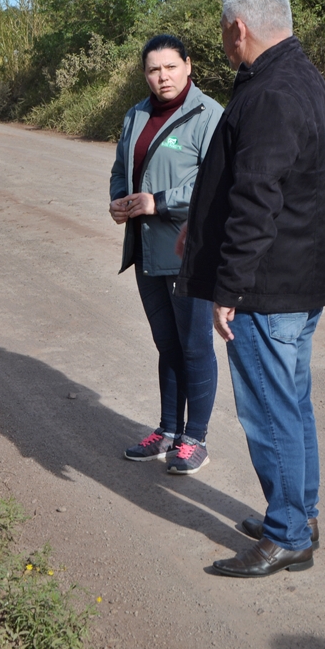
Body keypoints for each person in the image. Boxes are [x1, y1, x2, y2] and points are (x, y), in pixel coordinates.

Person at [175, 0, 325, 577]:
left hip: (270, 288)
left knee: (270, 411)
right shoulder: (299, 76)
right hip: (300, 280)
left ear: (238, 28)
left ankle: (287, 534)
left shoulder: (270, 92)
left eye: (224, 31)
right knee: (291, 403)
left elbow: (257, 199)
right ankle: (300, 512)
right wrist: (199, 224)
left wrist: (230, 289)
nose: (223, 41)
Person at [109, 34, 222, 475]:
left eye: (171, 67)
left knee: (195, 347)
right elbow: (121, 168)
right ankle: (168, 430)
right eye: (154, 70)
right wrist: (120, 199)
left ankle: (196, 439)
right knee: (167, 344)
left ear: (188, 66)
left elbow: (217, 184)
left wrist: (159, 200)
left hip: (188, 252)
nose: (163, 77)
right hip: (146, 252)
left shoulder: (208, 115)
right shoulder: (136, 114)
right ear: (145, 74)